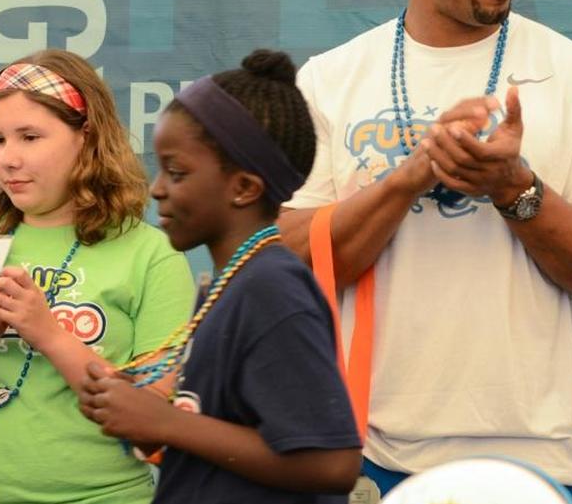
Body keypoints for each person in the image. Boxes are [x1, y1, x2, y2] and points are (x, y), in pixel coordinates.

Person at [277, 0, 572, 501]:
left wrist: (513, 188)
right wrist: (412, 176)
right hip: (363, 460)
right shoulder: (330, 79)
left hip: (530, 464)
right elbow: (290, 263)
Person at [0, 50, 196, 503]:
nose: (8, 158)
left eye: (30, 137)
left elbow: (154, 424)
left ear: (87, 138)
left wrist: (49, 334)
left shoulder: (151, 254)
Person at [79, 50, 362, 503]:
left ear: (244, 188)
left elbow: (332, 463)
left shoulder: (272, 289)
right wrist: (148, 419)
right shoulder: (234, 282)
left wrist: (165, 423)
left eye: (177, 172)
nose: (157, 188)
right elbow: (228, 431)